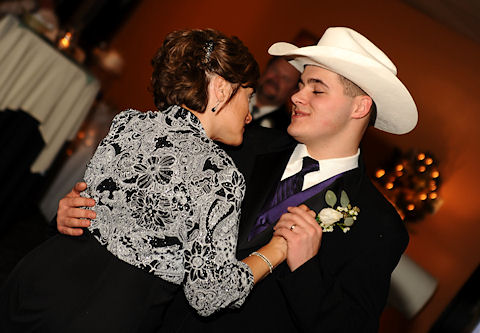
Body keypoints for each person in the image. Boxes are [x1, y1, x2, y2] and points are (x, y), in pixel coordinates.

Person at [54, 26, 418, 332]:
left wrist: (304, 268)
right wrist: (85, 210)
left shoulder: (378, 225)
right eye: (301, 84)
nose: (296, 96)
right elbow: (150, 204)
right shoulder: (243, 142)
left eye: (316, 89)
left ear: (359, 107)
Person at [0, 28, 291, 333]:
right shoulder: (219, 173)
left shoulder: (129, 123)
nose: (248, 115)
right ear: (221, 89)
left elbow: (86, 212)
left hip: (40, 278)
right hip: (106, 311)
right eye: (248, 95)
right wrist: (276, 251)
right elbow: (209, 293)